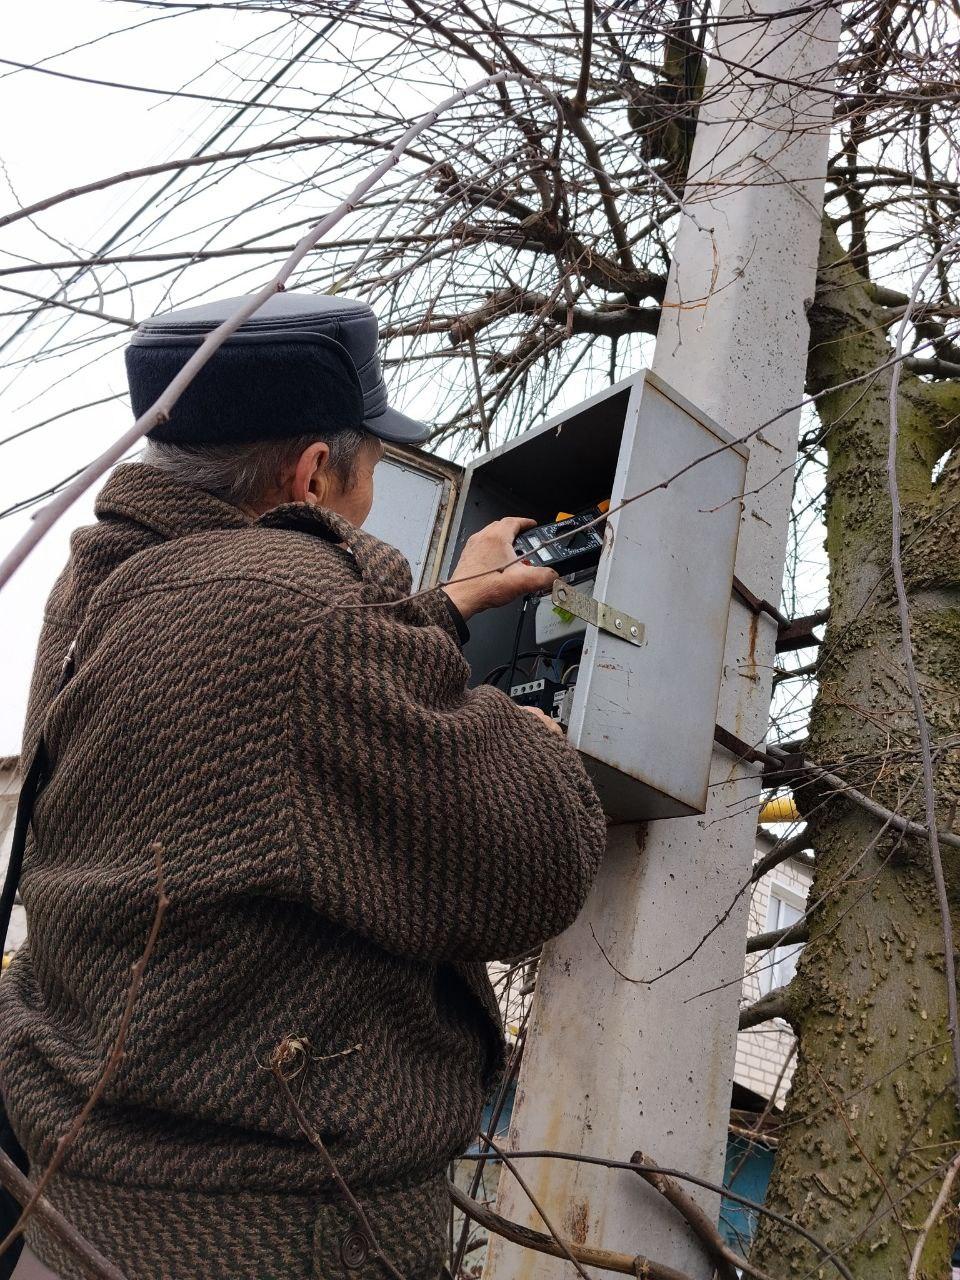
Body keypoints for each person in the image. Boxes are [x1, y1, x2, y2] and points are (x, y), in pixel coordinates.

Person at [0, 293, 606, 1280]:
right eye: (372, 461)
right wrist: (537, 744)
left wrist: (442, 605)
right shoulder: (301, 623)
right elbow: (538, 862)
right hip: (273, 1238)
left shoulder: (102, 584)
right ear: (314, 470)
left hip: (79, 1209)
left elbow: (247, 731)